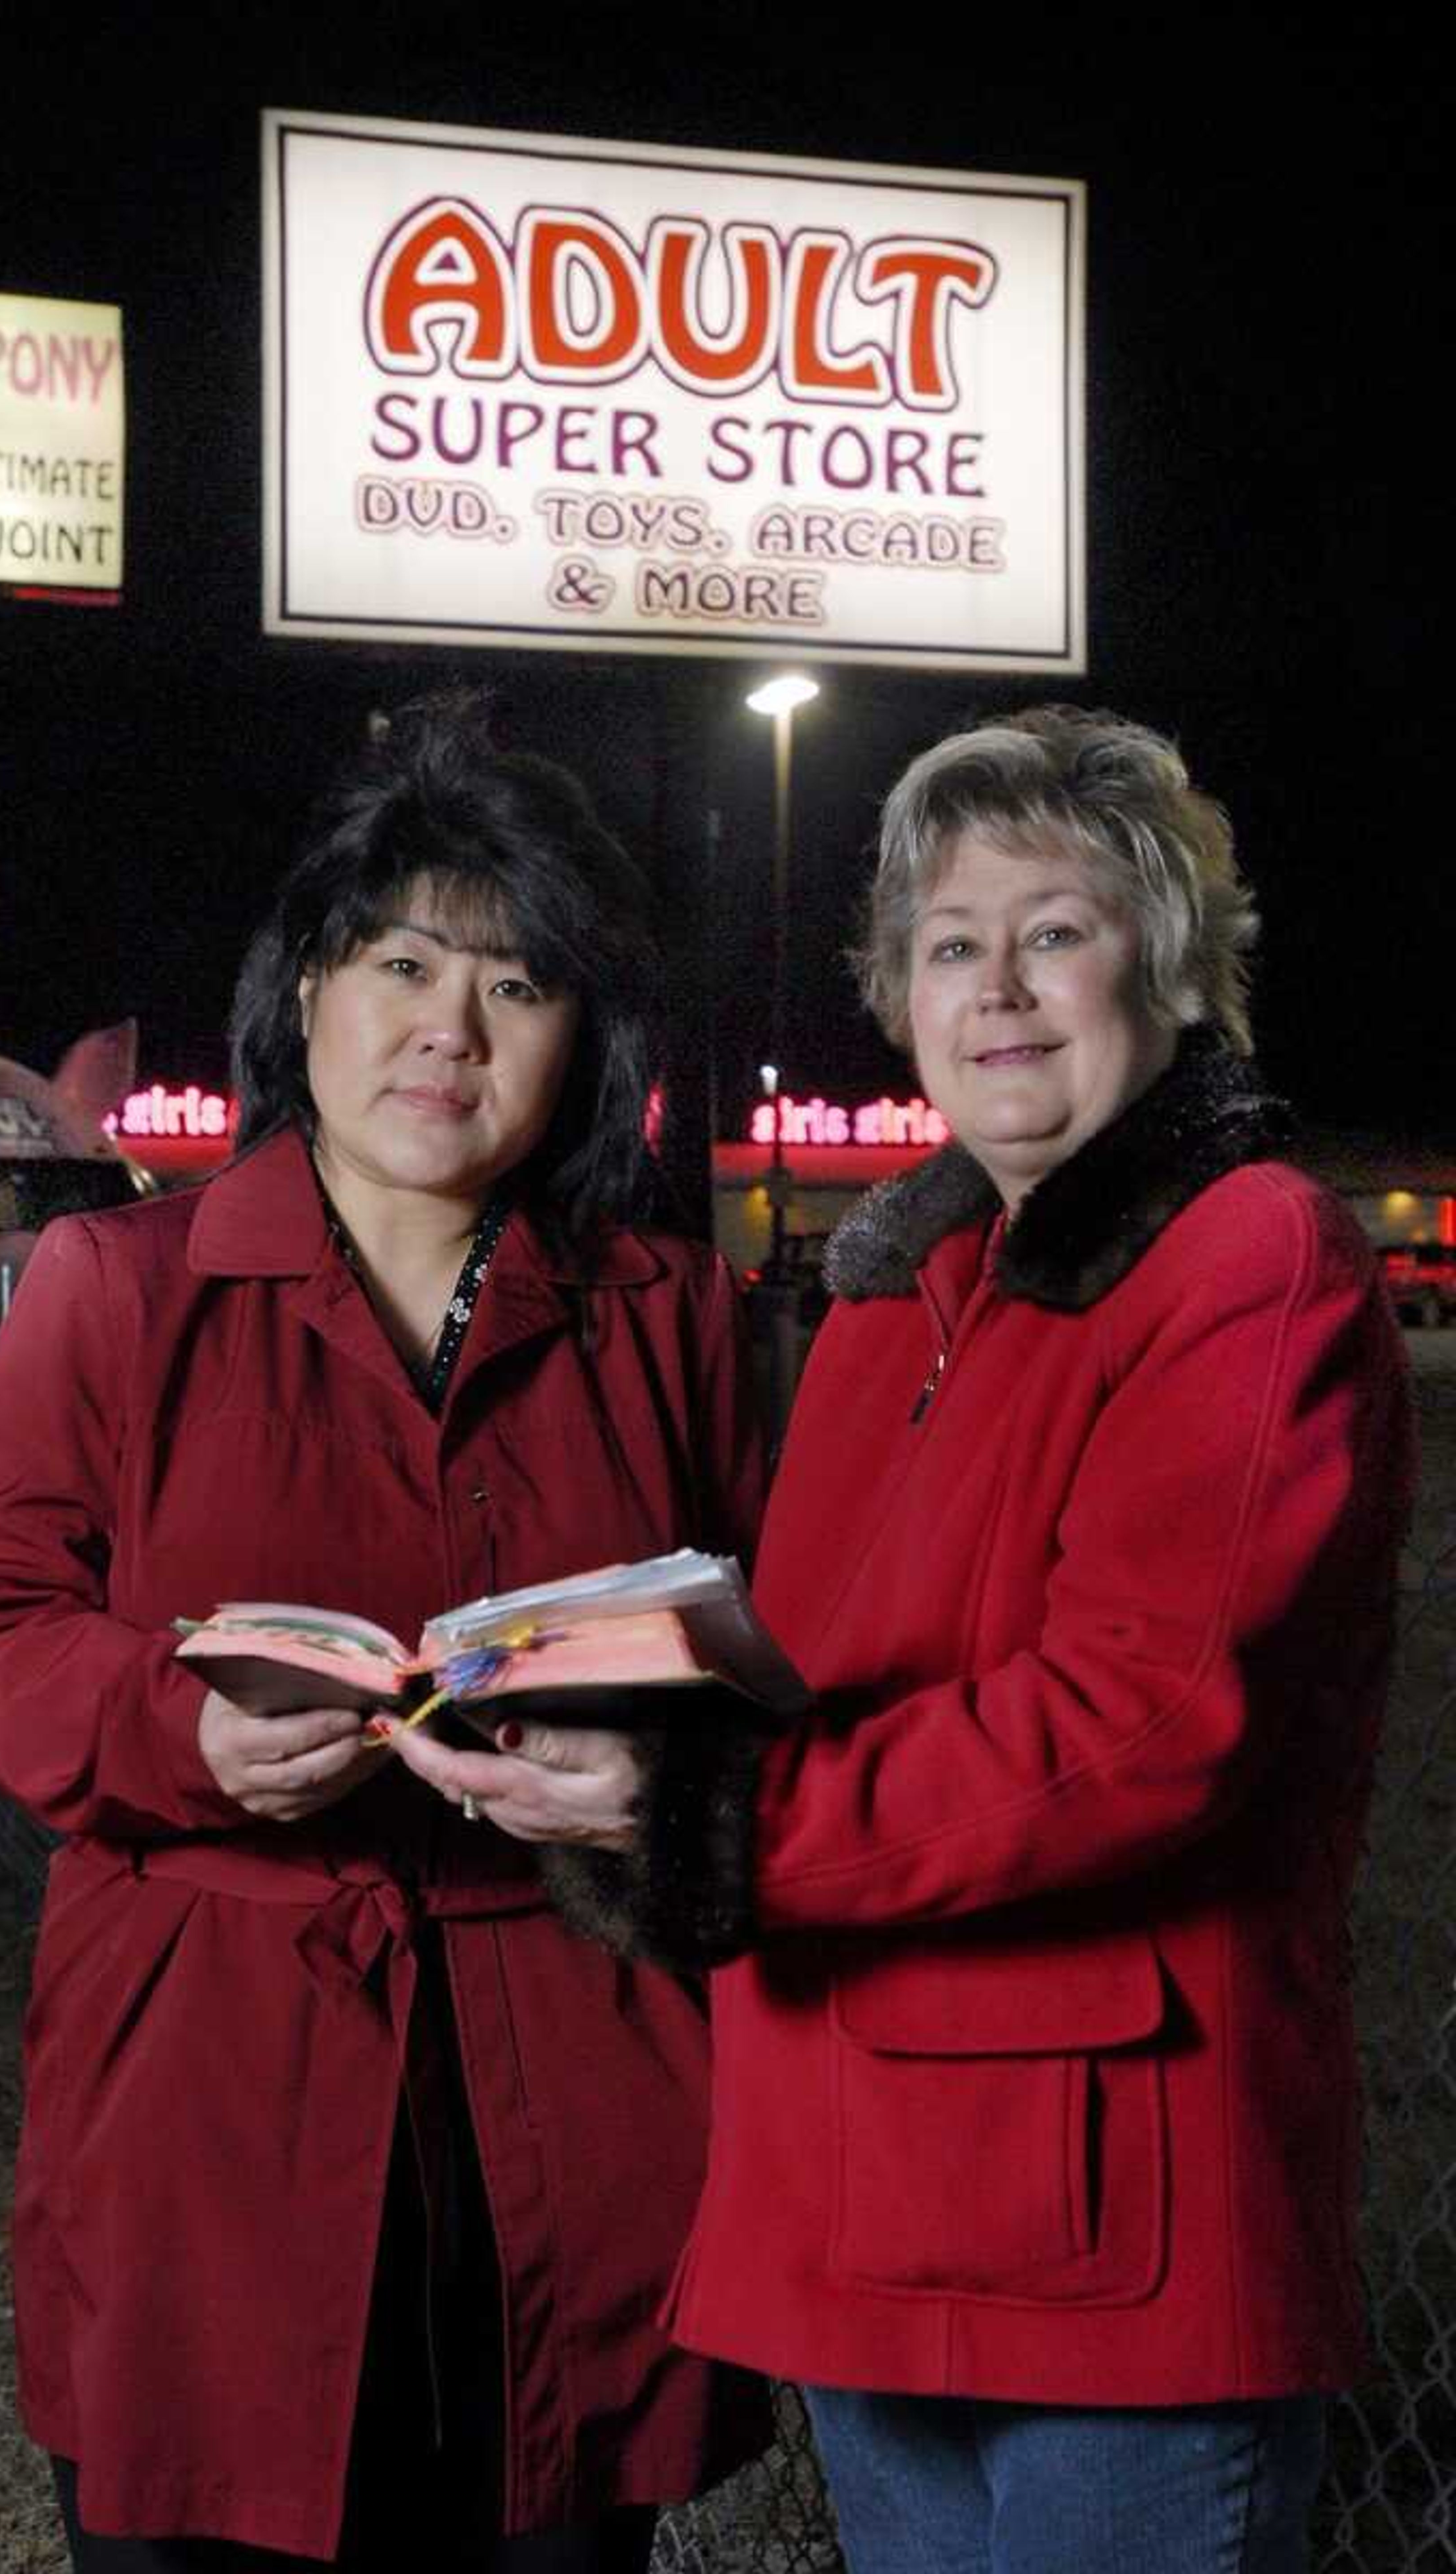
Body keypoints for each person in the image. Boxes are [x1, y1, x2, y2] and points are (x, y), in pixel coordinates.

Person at [436, 705, 1411, 2574]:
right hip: (859, 2169)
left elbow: (1142, 1727)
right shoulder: (893, 1303)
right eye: (953, 947)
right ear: (900, 994)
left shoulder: (1248, 1257)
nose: (1004, 992)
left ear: (1171, 962)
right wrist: (611, 1716)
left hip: (1109, 2219)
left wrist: (700, 1823)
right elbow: (818, 1685)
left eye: (1060, 932)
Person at [0, 701, 770, 2571]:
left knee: (547, 2526)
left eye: (516, 983)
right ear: (309, 992)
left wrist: (661, 1770)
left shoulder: (672, 1317)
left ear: (583, 1045)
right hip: (208, 2085)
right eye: (402, 963)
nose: (448, 1029)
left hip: (577, 2072)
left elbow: (782, 1653)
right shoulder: (116, 1289)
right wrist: (175, 1728)